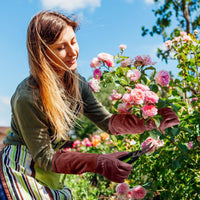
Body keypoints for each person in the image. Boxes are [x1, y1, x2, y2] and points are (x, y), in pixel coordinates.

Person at [0, 10, 179, 200]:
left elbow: (107, 121)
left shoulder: (77, 82)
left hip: (47, 170)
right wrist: (98, 162)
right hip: (19, 170)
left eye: (73, 41)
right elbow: (45, 156)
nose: (72, 52)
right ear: (43, 54)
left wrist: (150, 121)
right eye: (61, 47)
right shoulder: (28, 96)